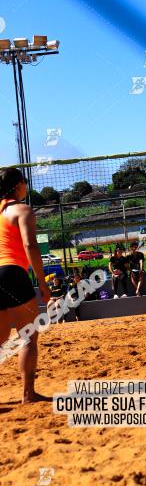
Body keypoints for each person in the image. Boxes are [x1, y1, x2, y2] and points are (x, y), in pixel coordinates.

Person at [0, 167, 51, 403]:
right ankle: (28, 393)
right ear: (19, 184)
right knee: (27, 337)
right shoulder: (22, 210)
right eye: (25, 182)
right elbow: (30, 245)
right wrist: (42, 284)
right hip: (12, 272)